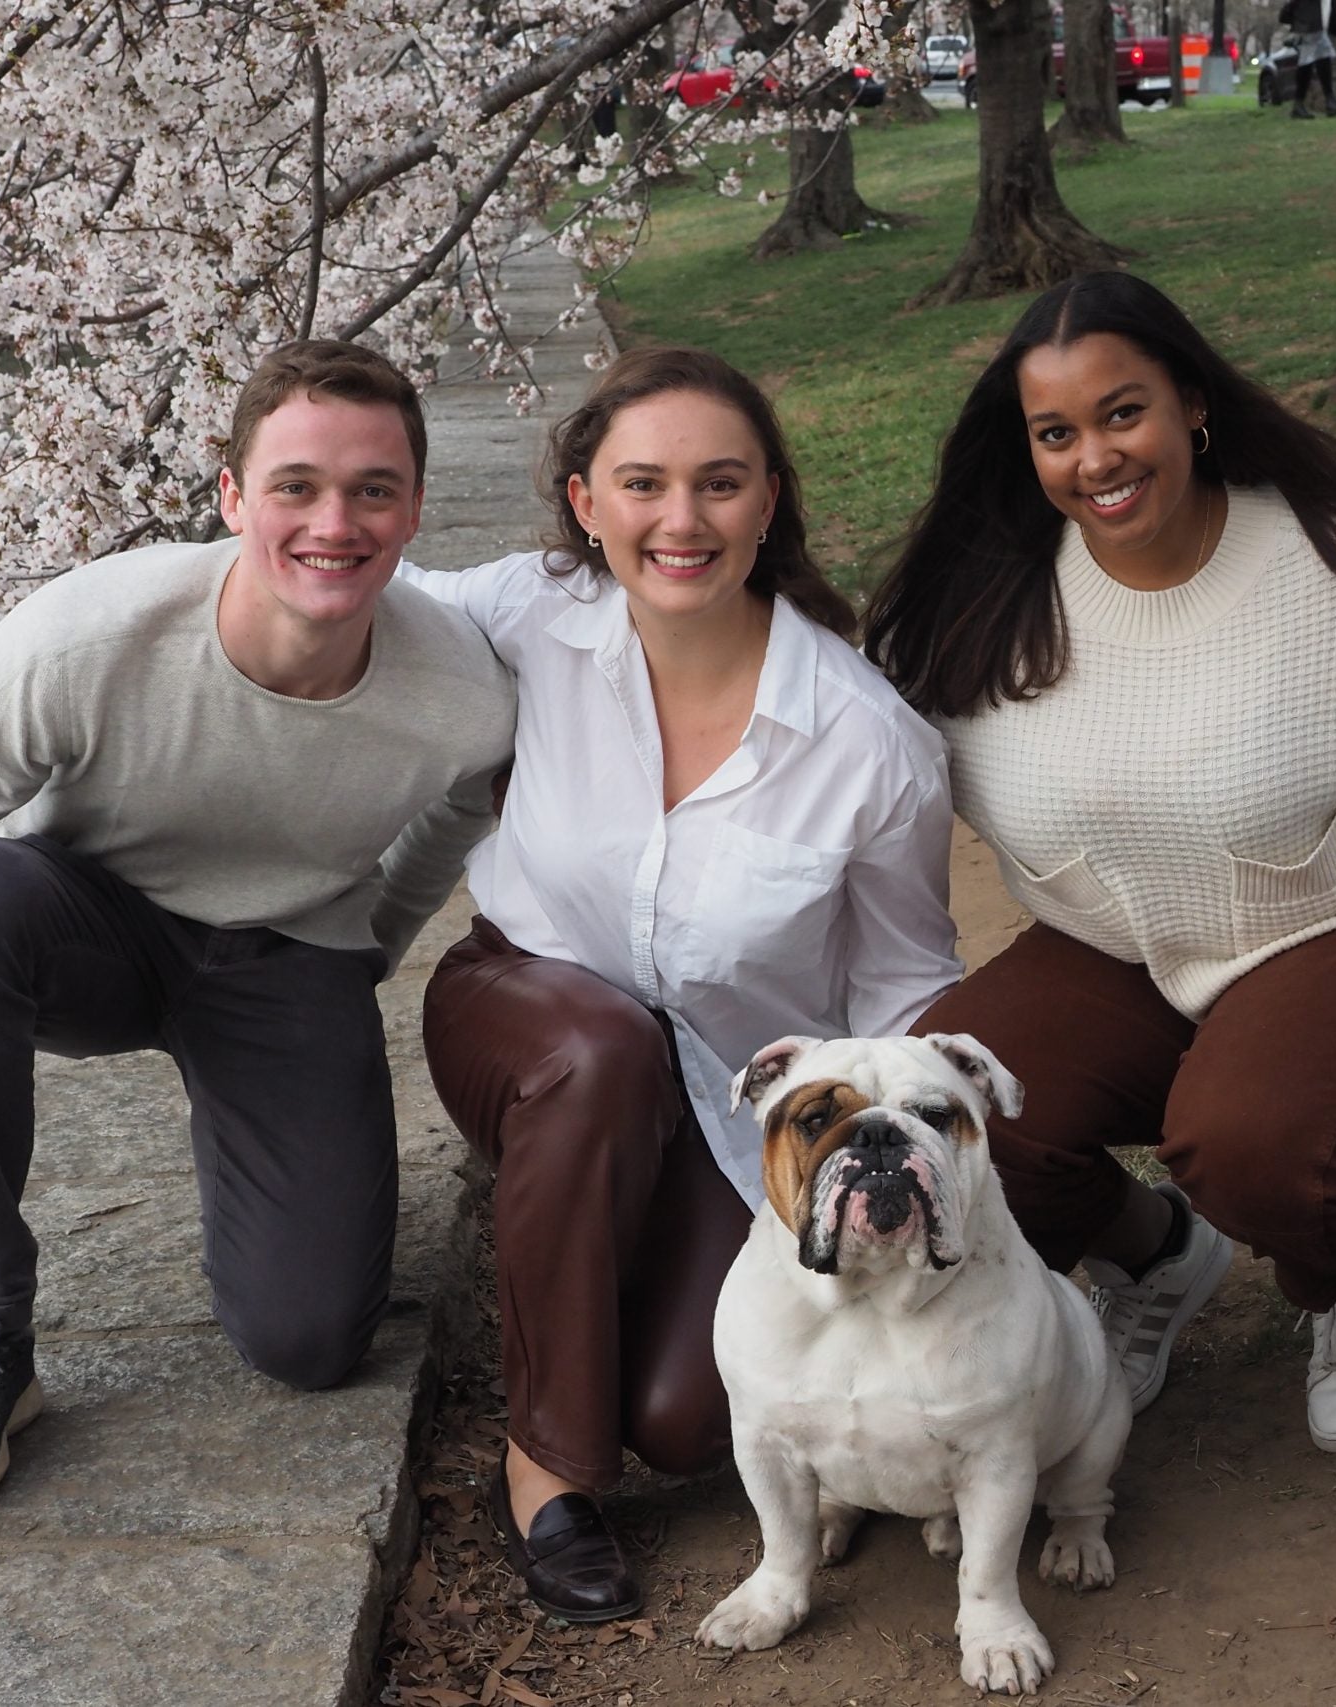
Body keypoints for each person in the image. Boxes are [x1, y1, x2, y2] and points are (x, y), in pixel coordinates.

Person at [0, 340, 518, 1505]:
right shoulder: (86, 640)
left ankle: (274, 1174)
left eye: (372, 490)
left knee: (310, 1344)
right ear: (232, 496)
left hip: (288, 954)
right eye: (295, 486)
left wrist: (367, 953)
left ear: (412, 511)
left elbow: (459, 812)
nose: (332, 523)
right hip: (85, 930)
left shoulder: (461, 692)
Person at [863, 272, 1336, 1455]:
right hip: (1125, 946)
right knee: (943, 1113)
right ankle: (1158, 1257)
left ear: (1192, 408)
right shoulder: (993, 600)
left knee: (1256, 1137)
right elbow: (845, 722)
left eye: (1124, 413)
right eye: (1055, 433)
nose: (1094, 458)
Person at [397, 348, 961, 1623]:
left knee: (690, 1420)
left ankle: (629, 1285)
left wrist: (903, 1189)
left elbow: (902, 986)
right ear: (585, 502)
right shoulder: (532, 612)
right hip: (526, 1008)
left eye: (719, 484)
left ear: (770, 501)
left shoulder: (867, 743)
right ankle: (547, 1474)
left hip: (731, 1091)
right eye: (642, 484)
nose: (681, 520)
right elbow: (346, 585)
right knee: (597, 1051)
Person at [1281, 0, 1336, 118]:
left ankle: (1304, 103)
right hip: (1309, 26)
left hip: (1314, 26)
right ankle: (1327, 100)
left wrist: (1335, 27)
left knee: (1311, 62)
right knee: (1317, 59)